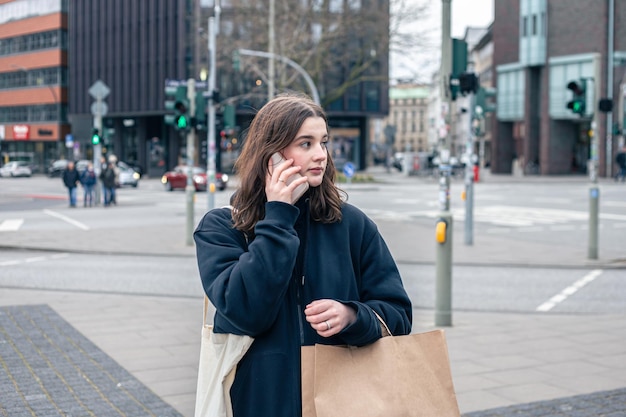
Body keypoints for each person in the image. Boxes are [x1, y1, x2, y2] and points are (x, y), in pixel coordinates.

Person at [193, 93, 412, 417]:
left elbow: (398, 314)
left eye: (323, 142)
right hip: (259, 403)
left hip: (344, 401)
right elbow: (245, 312)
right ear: (272, 154)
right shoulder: (222, 228)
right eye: (305, 143)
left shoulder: (352, 225)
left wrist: (353, 316)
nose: (321, 154)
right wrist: (278, 217)